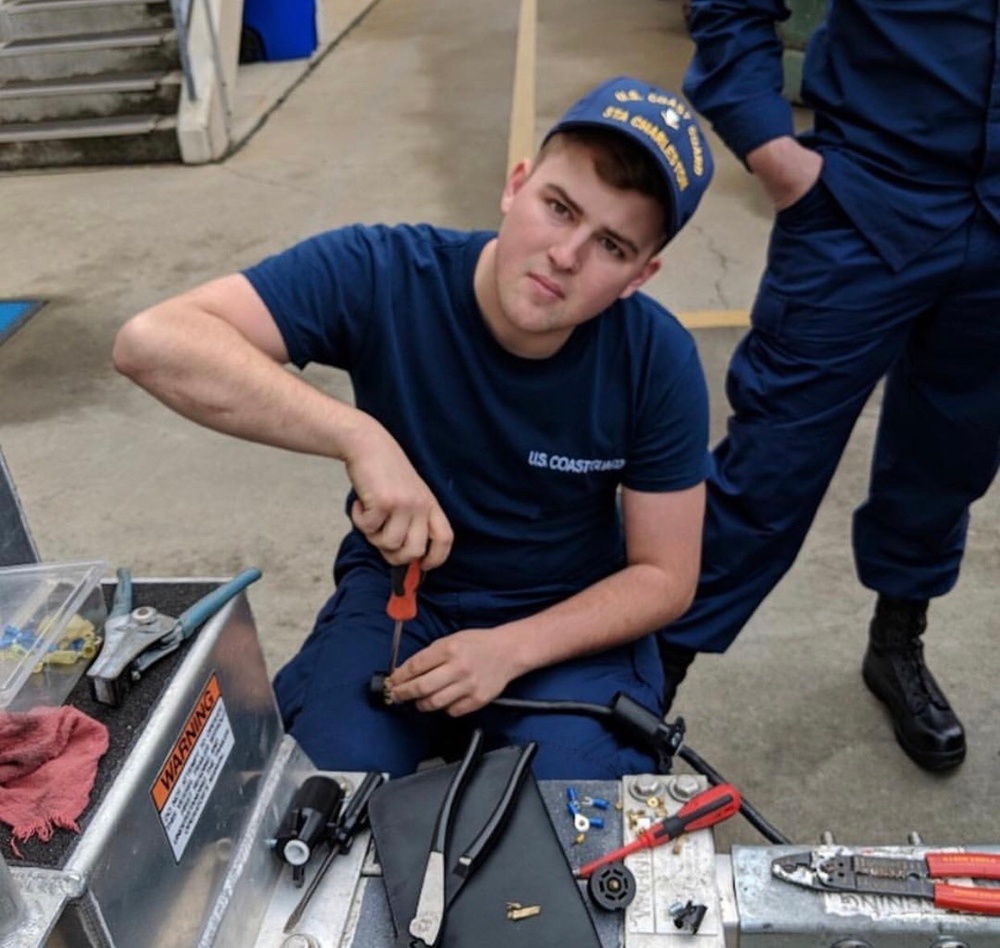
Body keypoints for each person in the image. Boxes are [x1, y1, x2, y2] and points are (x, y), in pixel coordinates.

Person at [112, 76, 715, 780]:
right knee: (312, 798)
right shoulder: (385, 273)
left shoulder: (657, 360)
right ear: (516, 186)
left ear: (642, 274)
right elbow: (152, 341)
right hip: (407, 596)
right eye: (558, 207)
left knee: (572, 831)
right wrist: (358, 436)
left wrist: (509, 649)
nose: (566, 254)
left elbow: (665, 577)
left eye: (611, 245)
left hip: (561, 615)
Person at [658, 0, 1000, 771]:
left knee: (952, 458)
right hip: (866, 196)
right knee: (768, 467)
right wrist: (773, 151)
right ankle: (649, 673)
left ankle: (896, 641)